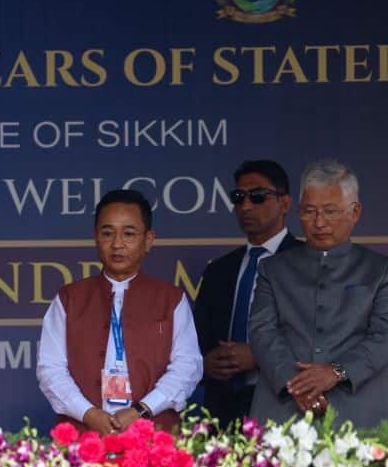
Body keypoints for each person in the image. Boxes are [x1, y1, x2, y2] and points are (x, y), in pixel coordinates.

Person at [37, 189, 203, 434]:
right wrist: (89, 414)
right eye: (107, 233)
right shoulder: (69, 298)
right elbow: (50, 370)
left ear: (148, 240)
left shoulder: (171, 299)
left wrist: (141, 410)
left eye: (129, 233)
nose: (117, 244)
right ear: (96, 238)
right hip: (85, 434)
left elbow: (187, 367)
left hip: (152, 433)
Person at [249, 159, 388, 427]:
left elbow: (384, 336)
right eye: (309, 211)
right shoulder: (273, 268)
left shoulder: (379, 270)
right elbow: (262, 331)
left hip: (357, 407)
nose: (319, 222)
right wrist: (297, 384)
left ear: (355, 211)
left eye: (330, 211)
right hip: (284, 406)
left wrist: (336, 372)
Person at [194, 160, 302, 430]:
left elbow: (324, 339)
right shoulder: (219, 270)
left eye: (257, 196)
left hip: (288, 407)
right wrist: (206, 364)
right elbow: (197, 342)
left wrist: (259, 355)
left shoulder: (308, 262)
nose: (246, 206)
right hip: (223, 411)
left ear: (285, 203)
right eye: (238, 198)